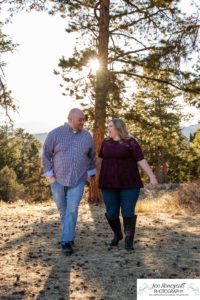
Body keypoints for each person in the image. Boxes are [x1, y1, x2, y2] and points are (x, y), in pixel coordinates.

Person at [97, 118, 158, 251]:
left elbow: (141, 160)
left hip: (129, 183)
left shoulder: (131, 142)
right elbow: (99, 159)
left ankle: (129, 240)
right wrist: (87, 170)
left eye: (110, 126)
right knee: (112, 213)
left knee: (127, 211)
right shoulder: (106, 143)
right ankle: (118, 234)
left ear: (118, 128)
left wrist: (152, 176)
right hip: (108, 183)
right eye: (108, 126)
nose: (108, 128)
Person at [42, 108, 96, 255]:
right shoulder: (55, 134)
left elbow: (91, 156)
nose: (83, 122)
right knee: (63, 210)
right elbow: (46, 154)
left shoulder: (86, 136)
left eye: (84, 119)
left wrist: (91, 173)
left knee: (72, 210)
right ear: (71, 119)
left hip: (77, 180)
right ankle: (69, 235)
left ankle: (66, 241)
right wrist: (51, 177)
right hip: (58, 180)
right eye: (80, 120)